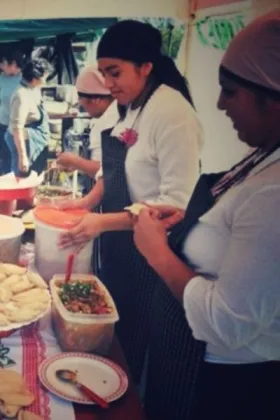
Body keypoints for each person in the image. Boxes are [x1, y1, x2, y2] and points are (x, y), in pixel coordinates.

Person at [132, 11, 280, 420]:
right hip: (186, 355)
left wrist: (158, 254)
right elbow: (236, 232)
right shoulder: (265, 156)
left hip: (230, 384)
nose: (218, 103)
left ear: (271, 96)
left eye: (230, 92)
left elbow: (228, 322)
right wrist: (188, 219)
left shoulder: (274, 192)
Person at [59, 20, 203, 383]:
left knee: (141, 340)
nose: (108, 83)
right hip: (122, 245)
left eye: (115, 72)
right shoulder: (132, 105)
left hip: (155, 253)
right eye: (104, 73)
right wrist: (88, 203)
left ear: (146, 67)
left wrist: (103, 222)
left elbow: (177, 203)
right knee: (119, 333)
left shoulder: (172, 113)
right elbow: (117, 172)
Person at [56, 66, 121, 182]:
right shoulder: (111, 114)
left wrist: (74, 161)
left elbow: (106, 171)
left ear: (96, 99)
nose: (80, 103)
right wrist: (77, 165)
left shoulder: (107, 123)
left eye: (80, 97)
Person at [5, 58, 51, 176]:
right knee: (21, 176)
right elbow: (17, 129)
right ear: (35, 79)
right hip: (22, 141)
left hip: (32, 138)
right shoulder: (21, 95)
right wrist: (23, 157)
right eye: (44, 78)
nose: (46, 81)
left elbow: (37, 113)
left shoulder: (33, 89)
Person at [0, 50, 25, 175]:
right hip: (1, 124)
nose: (1, 68)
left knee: (13, 159)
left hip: (16, 128)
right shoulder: (2, 78)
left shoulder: (25, 79)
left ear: (13, 64)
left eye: (3, 64)